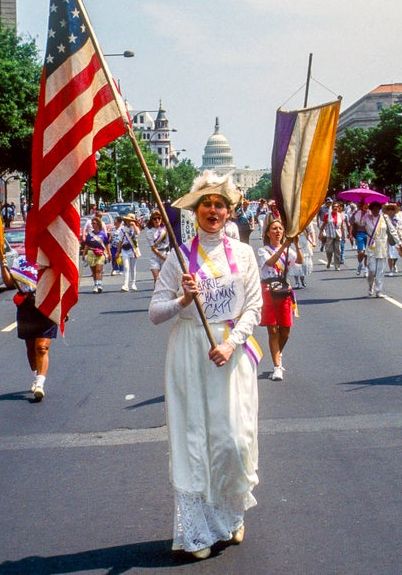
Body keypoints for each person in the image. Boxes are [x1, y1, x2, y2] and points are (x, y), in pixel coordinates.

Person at [149, 172, 262, 560]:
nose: (213, 210)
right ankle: (197, 532)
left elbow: (254, 308)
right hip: (188, 351)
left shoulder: (244, 254)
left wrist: (231, 344)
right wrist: (182, 300)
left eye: (219, 205)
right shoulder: (178, 257)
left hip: (229, 353)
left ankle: (231, 517)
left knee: (232, 439)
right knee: (195, 440)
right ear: (196, 211)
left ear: (229, 212)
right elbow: (154, 313)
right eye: (206, 204)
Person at [258, 217, 302, 380]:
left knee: (285, 330)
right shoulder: (263, 250)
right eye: (274, 229)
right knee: (273, 329)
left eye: (280, 229)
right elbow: (270, 263)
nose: (277, 231)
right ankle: (277, 366)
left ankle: (278, 354)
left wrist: (296, 244)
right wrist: (284, 245)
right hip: (268, 291)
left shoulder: (288, 251)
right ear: (268, 233)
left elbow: (298, 263)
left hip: (284, 291)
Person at [11, 258, 57, 401]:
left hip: (47, 304)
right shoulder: (20, 261)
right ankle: (36, 376)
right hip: (27, 307)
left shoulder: (51, 256)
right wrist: (2, 262)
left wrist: (63, 309)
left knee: (41, 347)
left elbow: (60, 281)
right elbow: (9, 283)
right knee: (31, 347)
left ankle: (40, 384)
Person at [359, 202, 399, 297]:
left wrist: (399, 243)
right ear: (371, 209)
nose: (376, 210)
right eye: (374, 208)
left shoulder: (384, 218)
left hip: (382, 246)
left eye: (377, 208)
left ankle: (378, 290)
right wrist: (362, 210)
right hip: (371, 246)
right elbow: (358, 222)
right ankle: (370, 285)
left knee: (380, 270)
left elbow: (392, 230)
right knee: (372, 270)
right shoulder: (366, 218)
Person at [81, 215, 110, 293]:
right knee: (93, 270)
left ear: (98, 224)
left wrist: (109, 254)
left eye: (94, 223)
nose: (92, 225)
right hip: (91, 252)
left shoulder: (102, 234)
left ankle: (99, 285)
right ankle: (95, 284)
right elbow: (86, 245)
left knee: (99, 269)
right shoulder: (90, 234)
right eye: (92, 223)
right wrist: (84, 254)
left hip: (100, 253)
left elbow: (107, 244)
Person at [146, 209, 170, 285]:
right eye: (154, 219)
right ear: (152, 220)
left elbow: (169, 242)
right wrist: (163, 257)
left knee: (165, 279)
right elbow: (153, 247)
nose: (157, 220)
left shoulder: (165, 229)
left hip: (165, 252)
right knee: (157, 279)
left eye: (159, 218)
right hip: (155, 255)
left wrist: (166, 257)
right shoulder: (149, 232)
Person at [119, 213, 141, 292]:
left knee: (133, 268)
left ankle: (133, 283)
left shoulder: (134, 228)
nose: (129, 222)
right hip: (125, 250)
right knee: (126, 267)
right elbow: (120, 241)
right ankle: (125, 284)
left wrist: (134, 225)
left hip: (133, 250)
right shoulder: (122, 229)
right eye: (128, 220)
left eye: (131, 220)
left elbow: (138, 233)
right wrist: (118, 252)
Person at [321, 201, 345, 270]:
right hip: (330, 235)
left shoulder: (340, 215)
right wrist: (321, 232)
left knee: (338, 250)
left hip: (338, 235)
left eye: (337, 207)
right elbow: (324, 224)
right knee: (328, 250)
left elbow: (342, 226)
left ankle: (337, 265)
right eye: (334, 207)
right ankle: (329, 261)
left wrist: (344, 236)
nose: (335, 208)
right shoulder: (327, 215)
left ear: (339, 208)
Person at [351, 202, 370, 276]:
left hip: (368, 234)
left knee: (367, 253)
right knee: (361, 252)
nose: (366, 206)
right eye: (365, 204)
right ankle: (360, 264)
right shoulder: (357, 213)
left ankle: (366, 269)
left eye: (368, 205)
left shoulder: (370, 213)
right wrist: (350, 234)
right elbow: (351, 222)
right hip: (359, 233)